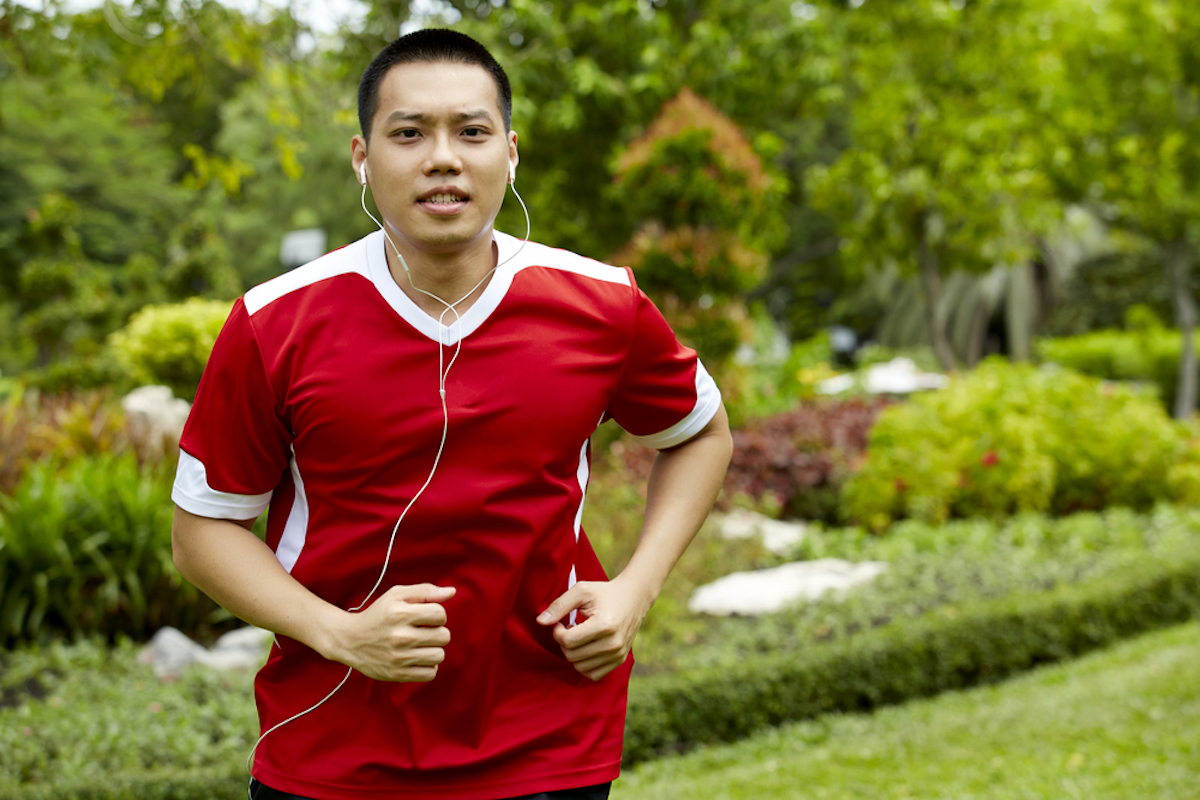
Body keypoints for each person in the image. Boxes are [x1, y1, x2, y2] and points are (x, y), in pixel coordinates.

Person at [171, 27, 732, 800]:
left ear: (510, 152)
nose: (443, 157)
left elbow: (700, 431)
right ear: (363, 158)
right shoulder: (274, 322)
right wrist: (343, 634)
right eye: (409, 133)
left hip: (548, 736)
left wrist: (634, 589)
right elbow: (203, 529)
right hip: (332, 746)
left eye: (470, 131)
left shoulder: (603, 305)